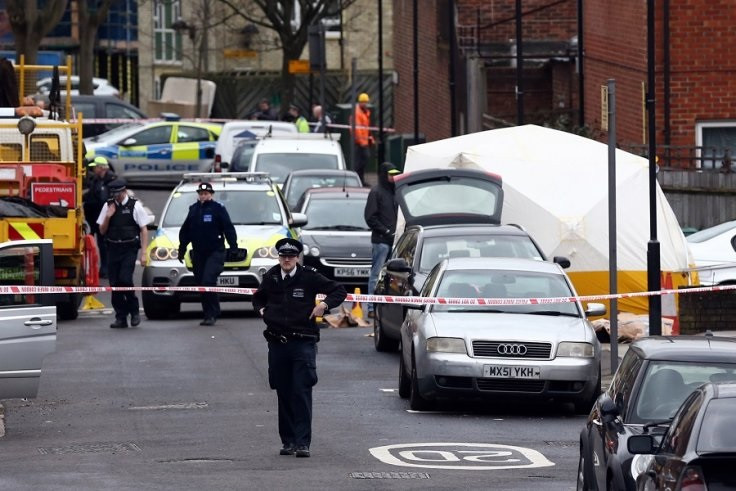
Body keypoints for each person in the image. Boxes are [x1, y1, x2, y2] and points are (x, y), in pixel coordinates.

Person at [252, 237, 347, 458]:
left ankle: (303, 443)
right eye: (283, 256)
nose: (287, 260)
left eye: (291, 256)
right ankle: (288, 441)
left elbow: (339, 291)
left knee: (301, 391)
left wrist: (324, 305)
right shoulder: (272, 276)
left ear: (297, 258)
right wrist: (262, 311)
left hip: (303, 342)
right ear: (280, 257)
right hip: (277, 342)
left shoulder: (309, 276)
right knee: (283, 392)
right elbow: (258, 298)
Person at [178, 182, 238, 326]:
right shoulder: (193, 209)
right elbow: (186, 230)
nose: (203, 196)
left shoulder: (218, 209)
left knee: (208, 281)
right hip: (199, 252)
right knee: (201, 284)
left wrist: (233, 246)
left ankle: (213, 312)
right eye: (201, 194)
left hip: (215, 252)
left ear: (211, 194)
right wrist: (182, 248)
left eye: (206, 193)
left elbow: (228, 228)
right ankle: (207, 314)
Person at [97, 179, 150, 328]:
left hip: (129, 249)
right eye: (113, 194)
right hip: (113, 249)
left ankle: (134, 312)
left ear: (124, 191)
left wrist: (144, 253)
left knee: (125, 280)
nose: (116, 197)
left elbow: (143, 229)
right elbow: (102, 230)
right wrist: (108, 216)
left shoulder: (135, 206)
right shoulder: (108, 206)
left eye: (118, 193)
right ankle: (120, 317)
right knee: (115, 284)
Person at [364, 162, 400, 319]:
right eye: (391, 174)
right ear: (384, 175)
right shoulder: (376, 192)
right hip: (381, 241)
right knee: (376, 274)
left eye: (395, 174)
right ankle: (371, 307)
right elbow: (370, 217)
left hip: (395, 241)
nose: (393, 177)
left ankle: (387, 309)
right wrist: (385, 230)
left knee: (393, 277)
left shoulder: (397, 192)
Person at [83, 156, 117, 278]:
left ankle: (105, 268)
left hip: (103, 217)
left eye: (95, 167)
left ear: (101, 168)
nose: (93, 170)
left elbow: (104, 199)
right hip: (92, 216)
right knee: (90, 242)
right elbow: (91, 195)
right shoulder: (95, 179)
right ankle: (91, 268)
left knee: (103, 243)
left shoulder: (111, 180)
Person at [351, 92, 375, 182]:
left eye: (366, 102)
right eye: (363, 102)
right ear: (360, 102)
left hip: (364, 142)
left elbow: (366, 129)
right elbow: (357, 129)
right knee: (359, 163)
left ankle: (361, 180)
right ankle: (358, 180)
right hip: (360, 143)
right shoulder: (357, 113)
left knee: (362, 162)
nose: (365, 104)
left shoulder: (365, 112)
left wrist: (370, 139)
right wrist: (362, 142)